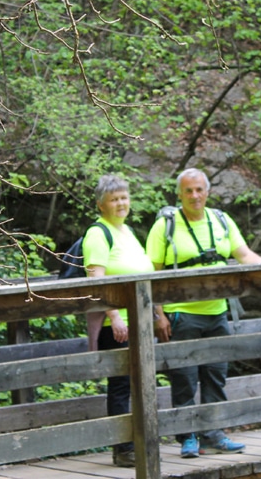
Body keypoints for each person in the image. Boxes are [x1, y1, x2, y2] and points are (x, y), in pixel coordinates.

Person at [146, 168, 261, 458]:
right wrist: (158, 315)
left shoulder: (221, 220)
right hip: (180, 314)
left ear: (207, 192)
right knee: (184, 377)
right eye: (188, 191)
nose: (194, 196)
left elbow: (244, 255)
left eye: (199, 189)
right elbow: (150, 271)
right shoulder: (166, 225)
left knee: (215, 375)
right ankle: (188, 437)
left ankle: (213, 434)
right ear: (179, 194)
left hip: (217, 312)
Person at [83, 174, 155, 468]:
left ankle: (139, 442)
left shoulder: (127, 231)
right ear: (101, 204)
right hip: (118, 325)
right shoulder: (98, 234)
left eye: (124, 197)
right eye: (114, 199)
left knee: (141, 385)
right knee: (121, 386)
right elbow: (96, 282)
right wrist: (114, 317)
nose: (121, 203)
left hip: (139, 321)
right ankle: (123, 448)